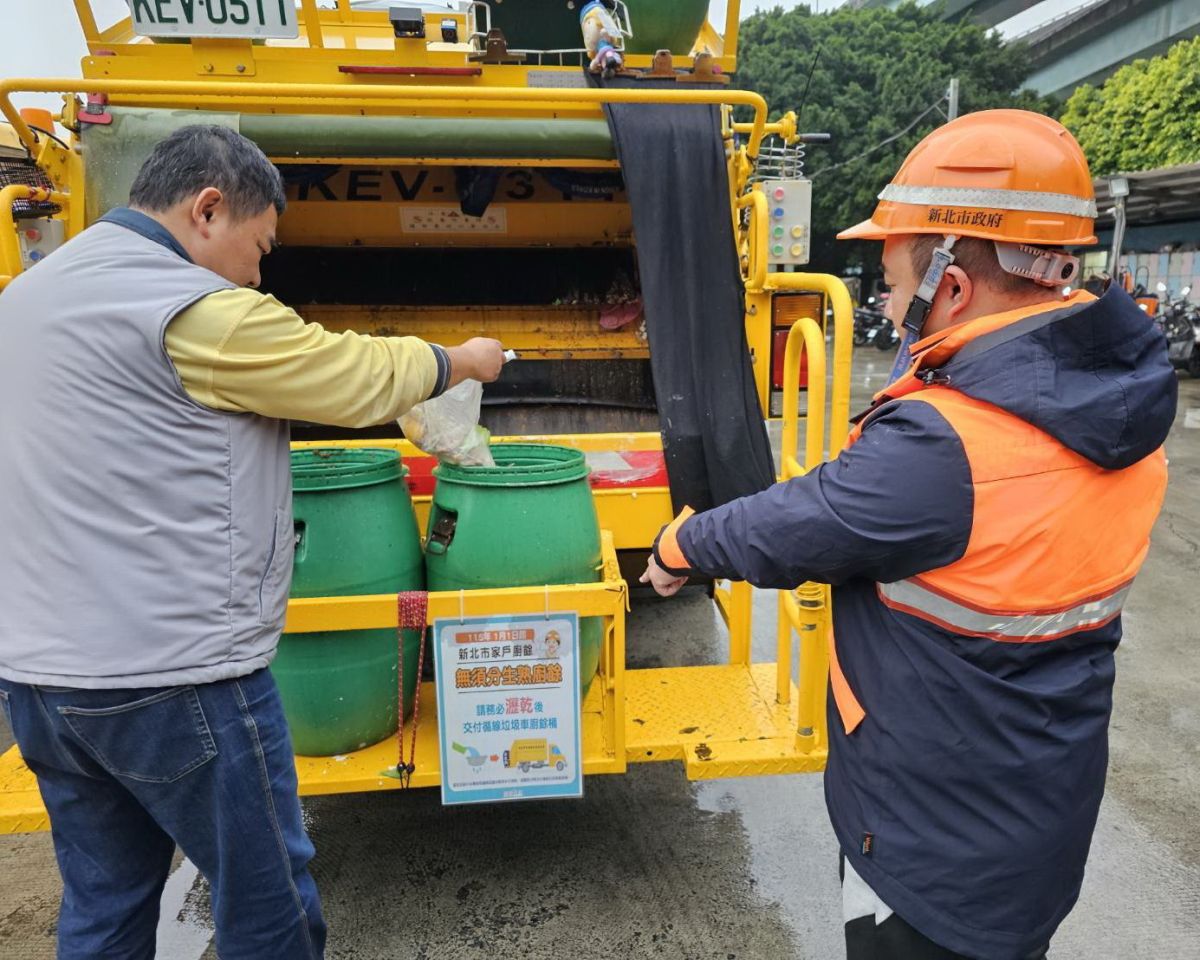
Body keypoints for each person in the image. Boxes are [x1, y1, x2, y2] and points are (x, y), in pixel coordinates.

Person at [641, 110, 1176, 960]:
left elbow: (804, 521)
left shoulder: (949, 443)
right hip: (1034, 810)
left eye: (891, 279)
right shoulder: (1115, 400)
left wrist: (683, 546)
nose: (886, 303)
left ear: (952, 284)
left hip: (934, 846)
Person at [0, 125, 505, 959]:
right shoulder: (187, 307)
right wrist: (457, 360)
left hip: (40, 684)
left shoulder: (28, 297)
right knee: (267, 909)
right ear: (207, 209)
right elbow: (350, 376)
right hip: (173, 680)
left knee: (104, 905)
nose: (260, 273)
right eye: (260, 247)